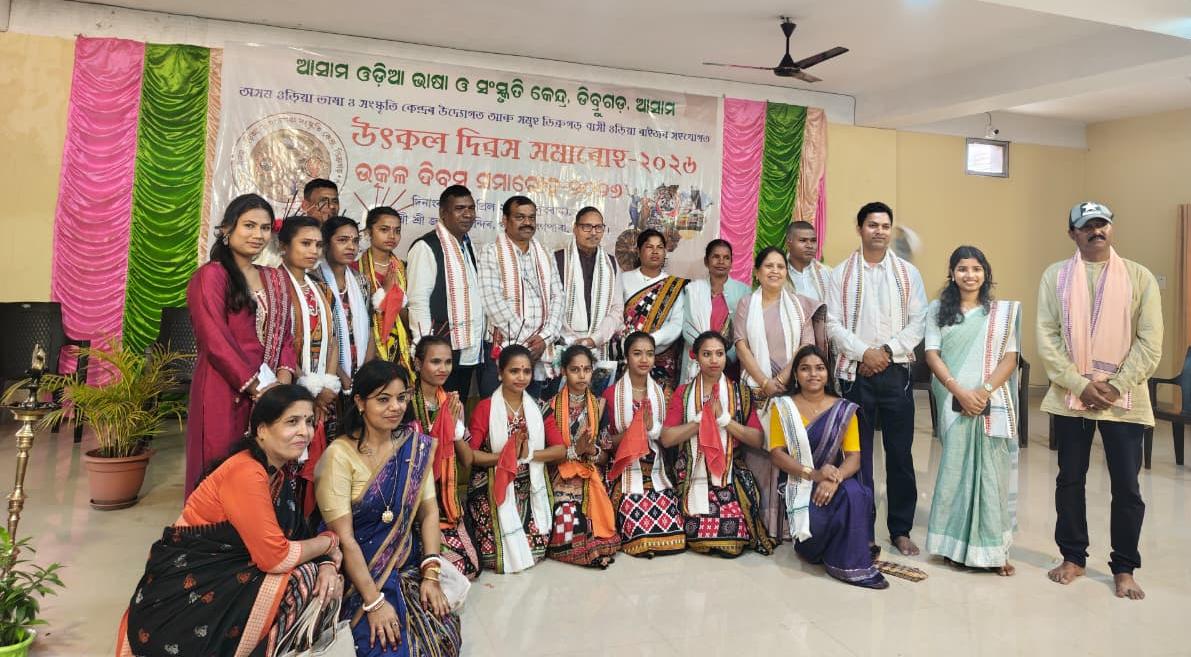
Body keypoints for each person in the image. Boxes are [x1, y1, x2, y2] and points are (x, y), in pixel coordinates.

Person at [118, 385, 343, 656]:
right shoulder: (246, 472)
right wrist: (330, 541)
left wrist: (326, 562)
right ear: (262, 430)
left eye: (309, 422)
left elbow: (298, 535)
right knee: (302, 580)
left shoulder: (277, 475)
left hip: (229, 573)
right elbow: (276, 559)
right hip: (189, 589)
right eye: (292, 422)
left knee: (323, 579)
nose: (304, 432)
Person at [1037, 202, 1162, 600]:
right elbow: (1047, 336)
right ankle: (1073, 557)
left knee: (1127, 486)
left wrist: (1115, 385)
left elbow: (1150, 342)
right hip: (1071, 396)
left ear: (1112, 229)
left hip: (1124, 399)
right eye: (1087, 225)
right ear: (1072, 233)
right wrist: (1080, 384)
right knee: (1070, 479)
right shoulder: (1055, 276)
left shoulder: (1139, 277)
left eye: (1102, 224)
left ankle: (1124, 567)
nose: (1097, 231)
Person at [315, 361, 462, 655]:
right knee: (386, 646)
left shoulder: (414, 447)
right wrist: (374, 602)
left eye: (401, 397)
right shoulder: (339, 455)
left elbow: (429, 512)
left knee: (442, 639)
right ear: (360, 402)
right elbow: (345, 538)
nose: (396, 407)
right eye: (383, 399)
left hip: (406, 566)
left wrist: (431, 575)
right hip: (360, 576)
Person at [826, 201, 928, 556]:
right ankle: (863, 528)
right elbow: (833, 324)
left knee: (900, 454)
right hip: (855, 373)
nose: (879, 231)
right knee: (859, 454)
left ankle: (900, 529)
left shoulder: (907, 274)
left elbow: (919, 321)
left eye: (885, 226)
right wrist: (864, 353)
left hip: (895, 372)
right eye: (872, 225)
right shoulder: (840, 274)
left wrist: (884, 351)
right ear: (860, 229)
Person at [185, 194, 297, 496]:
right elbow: (214, 339)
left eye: (264, 228)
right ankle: (217, 525)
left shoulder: (274, 278)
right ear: (227, 229)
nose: (257, 234)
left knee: (265, 470)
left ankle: (259, 525)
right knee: (222, 467)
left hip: (270, 392)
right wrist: (257, 388)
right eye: (249, 225)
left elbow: (286, 337)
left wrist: (281, 386)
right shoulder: (211, 276)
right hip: (224, 389)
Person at [923, 246, 1021, 575]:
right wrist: (959, 391)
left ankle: (993, 550)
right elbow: (932, 354)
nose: (970, 275)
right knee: (955, 469)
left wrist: (983, 392)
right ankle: (953, 546)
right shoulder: (938, 309)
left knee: (991, 473)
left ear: (985, 273)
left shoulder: (999, 314)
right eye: (962, 269)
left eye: (976, 269)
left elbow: (1010, 357)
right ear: (952, 274)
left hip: (990, 399)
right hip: (952, 398)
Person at [768, 346, 888, 589]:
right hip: (801, 483)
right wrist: (814, 474)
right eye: (805, 369)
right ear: (796, 374)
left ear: (828, 373)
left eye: (820, 368)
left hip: (833, 480)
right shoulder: (782, 407)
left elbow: (854, 457)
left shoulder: (844, 408)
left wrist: (834, 478)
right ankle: (835, 546)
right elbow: (777, 455)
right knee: (810, 545)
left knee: (855, 493)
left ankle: (851, 563)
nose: (813, 374)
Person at [734, 246, 825, 540]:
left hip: (790, 390)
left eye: (780, 267)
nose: (775, 271)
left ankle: (785, 525)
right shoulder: (746, 303)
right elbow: (741, 345)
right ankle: (758, 523)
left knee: (788, 453)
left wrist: (781, 379)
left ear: (786, 273)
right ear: (757, 272)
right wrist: (764, 382)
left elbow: (805, 346)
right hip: (754, 390)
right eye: (769, 266)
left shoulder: (799, 305)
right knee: (757, 456)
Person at [661, 331, 775, 557]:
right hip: (692, 470)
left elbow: (757, 439)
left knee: (733, 540)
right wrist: (701, 421)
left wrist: (723, 419)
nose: (714, 360)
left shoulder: (740, 392)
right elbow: (667, 438)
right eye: (707, 354)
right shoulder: (684, 393)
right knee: (697, 533)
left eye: (719, 354)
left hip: (729, 472)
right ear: (695, 357)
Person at [466, 345, 565, 573]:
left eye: (526, 371)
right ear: (500, 373)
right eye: (514, 371)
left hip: (529, 483)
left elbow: (560, 450)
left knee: (535, 548)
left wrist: (527, 455)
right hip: (493, 482)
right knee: (493, 554)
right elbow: (471, 455)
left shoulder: (539, 408)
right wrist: (506, 458)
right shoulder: (485, 408)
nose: (521, 377)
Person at [604, 332, 685, 557]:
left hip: (655, 467)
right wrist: (634, 431)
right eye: (637, 353)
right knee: (638, 532)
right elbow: (606, 443)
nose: (644, 359)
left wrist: (651, 428)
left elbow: (667, 439)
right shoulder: (610, 395)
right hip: (625, 468)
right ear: (626, 357)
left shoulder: (663, 393)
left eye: (649, 354)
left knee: (674, 534)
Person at [279, 216, 341, 511]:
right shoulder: (275, 285)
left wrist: (327, 384)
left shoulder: (321, 288)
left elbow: (334, 339)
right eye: (305, 244)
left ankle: (310, 522)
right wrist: (309, 388)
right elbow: (279, 344)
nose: (313, 251)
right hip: (290, 386)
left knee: (317, 464)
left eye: (318, 245)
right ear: (283, 246)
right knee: (289, 462)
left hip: (322, 393)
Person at [541, 344, 622, 567]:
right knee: (569, 514)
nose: (582, 375)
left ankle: (592, 549)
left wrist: (591, 451)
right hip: (559, 475)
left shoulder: (599, 407)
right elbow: (547, 455)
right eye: (575, 370)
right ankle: (584, 553)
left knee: (602, 514)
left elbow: (605, 456)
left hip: (590, 472)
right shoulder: (549, 407)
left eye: (586, 369)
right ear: (563, 371)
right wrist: (574, 451)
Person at [408, 336, 481, 581]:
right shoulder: (405, 403)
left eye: (448, 362)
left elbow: (467, 459)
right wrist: (442, 427)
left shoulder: (451, 403)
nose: (443, 369)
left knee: (469, 567)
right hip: (414, 498)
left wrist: (453, 426)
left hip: (446, 501)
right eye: (435, 361)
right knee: (443, 571)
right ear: (418, 364)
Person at [477, 195, 565, 399]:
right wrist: (527, 344)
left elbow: (557, 297)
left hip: (539, 352)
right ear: (505, 220)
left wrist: (544, 338)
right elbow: (492, 301)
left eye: (531, 217)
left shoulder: (545, 253)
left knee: (532, 410)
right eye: (520, 217)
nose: (527, 222)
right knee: (496, 411)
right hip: (504, 349)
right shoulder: (491, 253)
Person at [407, 186, 485, 403]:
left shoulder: (467, 245)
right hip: (440, 355)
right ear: (443, 213)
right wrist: (425, 349)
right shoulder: (426, 246)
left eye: (471, 208)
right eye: (459, 208)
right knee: (435, 411)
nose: (467, 214)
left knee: (455, 410)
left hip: (467, 351)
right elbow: (418, 301)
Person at [555, 207, 622, 391]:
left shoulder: (611, 263)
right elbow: (551, 306)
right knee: (560, 404)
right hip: (563, 346)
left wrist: (594, 339)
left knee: (595, 402)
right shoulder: (557, 259)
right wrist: (571, 340)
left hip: (599, 347)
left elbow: (617, 309)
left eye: (598, 227)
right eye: (587, 227)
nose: (593, 232)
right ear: (575, 228)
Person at [621, 229, 688, 390]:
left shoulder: (674, 285)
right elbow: (616, 315)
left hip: (661, 360)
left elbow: (677, 324)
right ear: (638, 251)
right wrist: (632, 345)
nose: (655, 251)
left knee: (659, 403)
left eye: (660, 247)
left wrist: (650, 341)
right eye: (649, 247)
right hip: (628, 356)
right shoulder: (623, 279)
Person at [681, 239, 751, 383]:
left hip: (730, 361)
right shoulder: (693, 290)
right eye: (716, 257)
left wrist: (726, 356)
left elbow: (744, 330)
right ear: (706, 261)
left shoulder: (743, 291)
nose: (721, 261)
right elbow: (687, 326)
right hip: (697, 358)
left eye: (726, 258)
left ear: (731, 262)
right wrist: (706, 352)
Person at [318, 215, 375, 390]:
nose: (351, 246)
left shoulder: (361, 281)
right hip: (325, 374)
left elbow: (370, 329)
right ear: (326, 243)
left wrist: (366, 372)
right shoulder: (314, 281)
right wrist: (341, 376)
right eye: (342, 240)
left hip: (360, 372)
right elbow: (318, 338)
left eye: (355, 241)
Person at [359, 206, 414, 375]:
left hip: (402, 345)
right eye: (384, 230)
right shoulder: (355, 269)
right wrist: (384, 292)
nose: (392, 236)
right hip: (366, 346)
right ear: (369, 232)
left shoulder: (404, 268)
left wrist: (396, 301)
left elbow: (412, 312)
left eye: (397, 231)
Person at [255, 179, 341, 267]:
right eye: (323, 201)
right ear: (305, 205)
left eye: (335, 201)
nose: (332, 206)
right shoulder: (280, 236)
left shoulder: (340, 240)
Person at [785, 221, 830, 303]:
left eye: (813, 240)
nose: (809, 246)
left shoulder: (827, 273)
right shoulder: (778, 273)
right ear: (788, 244)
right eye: (803, 240)